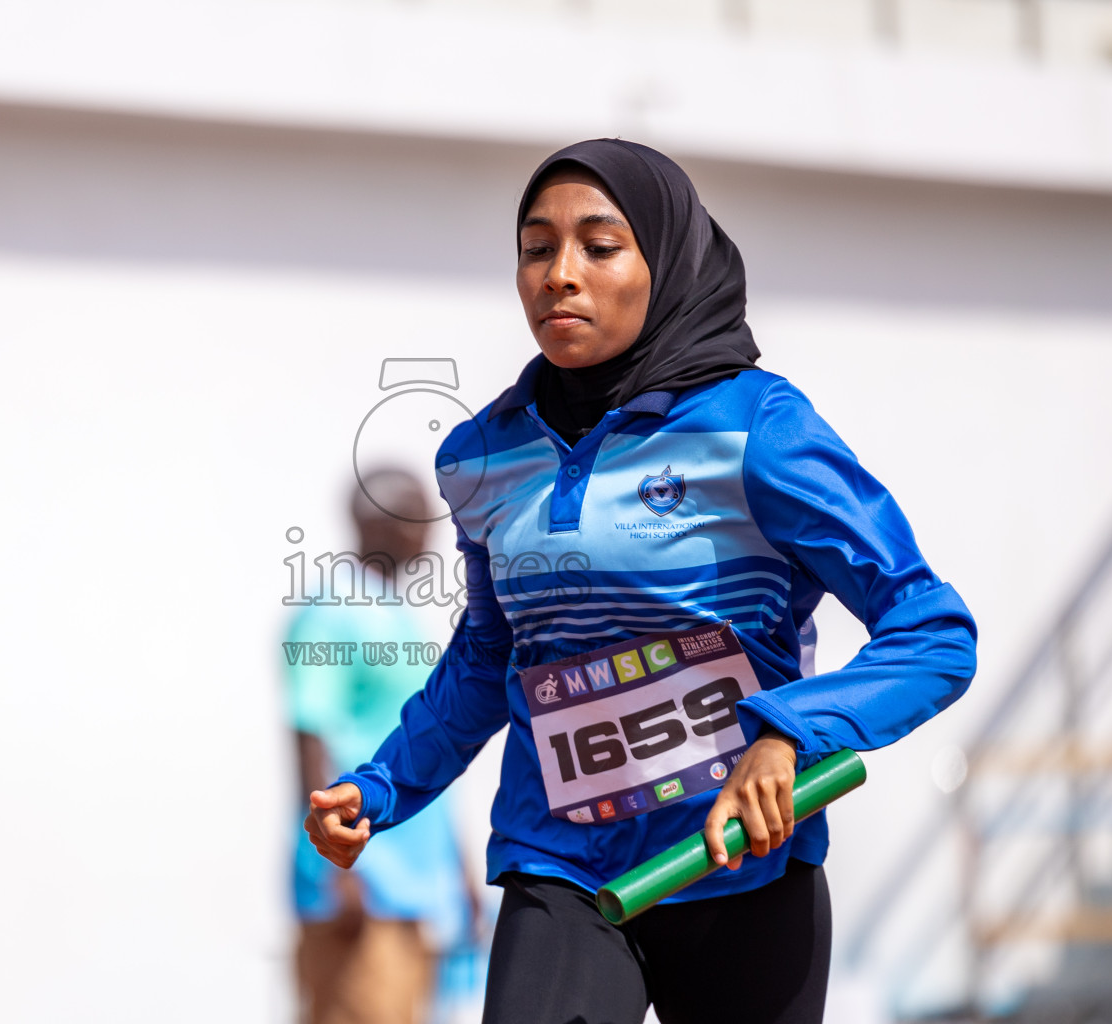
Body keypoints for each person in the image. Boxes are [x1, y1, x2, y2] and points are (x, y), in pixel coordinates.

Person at [303, 139, 977, 1024]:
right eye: (537, 247)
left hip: (738, 858)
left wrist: (788, 737)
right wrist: (384, 783)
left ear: (664, 260)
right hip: (562, 863)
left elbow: (933, 633)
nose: (560, 274)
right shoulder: (480, 458)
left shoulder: (757, 427)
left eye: (599, 245)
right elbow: (489, 655)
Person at [286, 469, 477, 1024]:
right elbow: (309, 734)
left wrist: (457, 867)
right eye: (417, 511)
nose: (431, 528)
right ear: (378, 520)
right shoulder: (331, 611)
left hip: (417, 888)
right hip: (360, 888)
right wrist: (339, 874)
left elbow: (425, 752)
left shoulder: (397, 614)